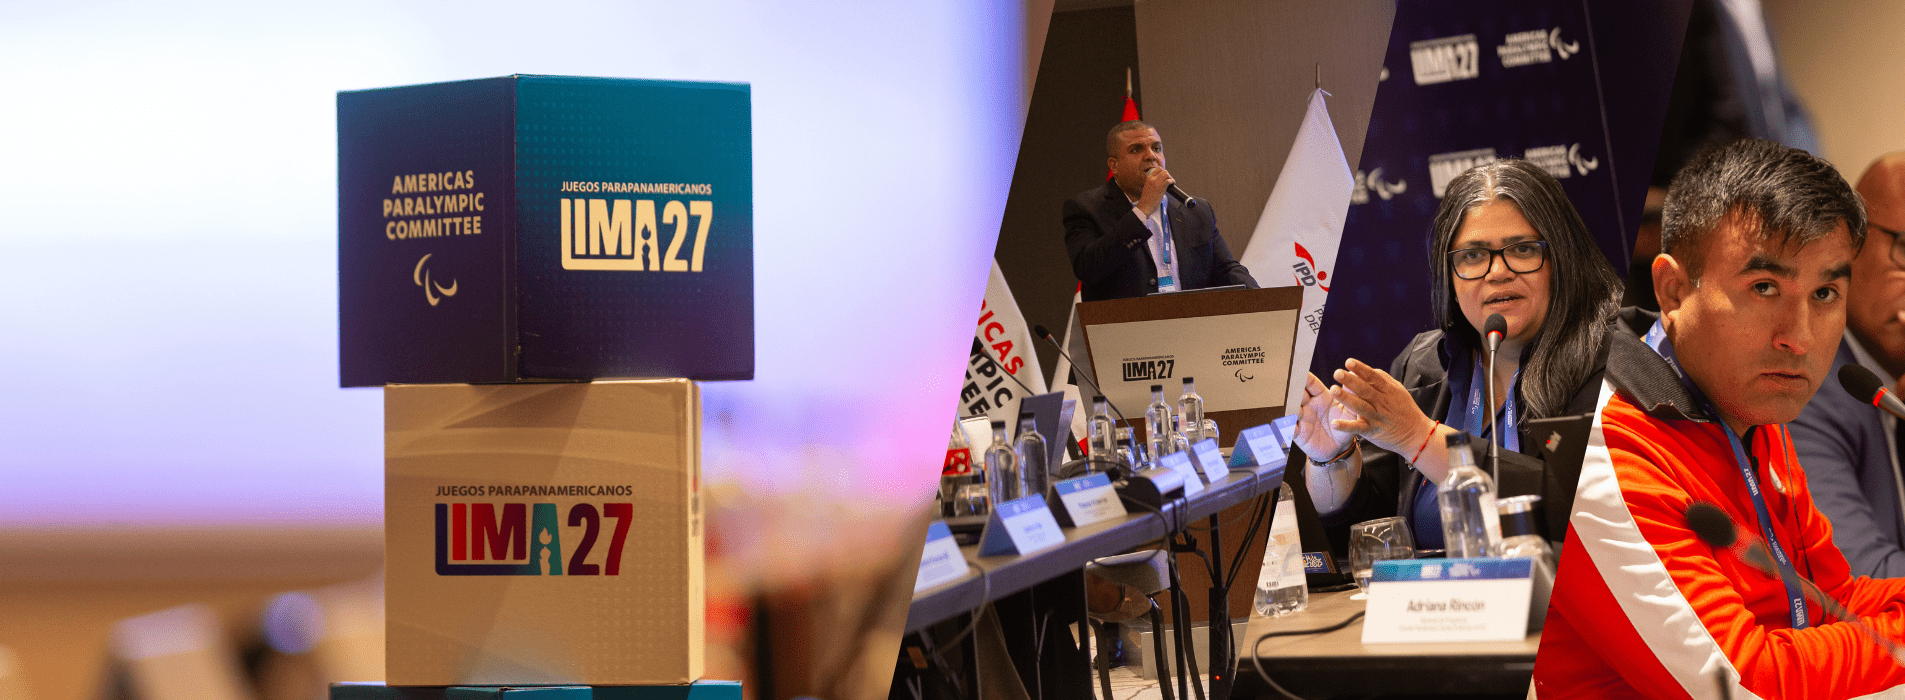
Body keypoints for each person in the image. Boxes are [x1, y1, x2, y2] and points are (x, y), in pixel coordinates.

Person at [1532, 138, 1905, 698]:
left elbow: (1833, 599)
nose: (1799, 338)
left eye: (1826, 292)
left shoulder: (1750, 406)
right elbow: (1742, 683)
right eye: (1764, 288)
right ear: (1673, 291)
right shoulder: (1607, 446)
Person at [1291, 159, 1623, 552]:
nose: (1497, 272)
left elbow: (1585, 510)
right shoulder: (1422, 366)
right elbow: (1371, 530)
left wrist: (1420, 437)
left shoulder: (1609, 362)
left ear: (1561, 258)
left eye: (1522, 249)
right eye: (1473, 256)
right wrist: (1331, 459)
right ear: (1448, 274)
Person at [1790, 152, 1905, 578]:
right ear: (1849, 246)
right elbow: (1860, 578)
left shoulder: (1889, 379)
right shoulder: (1805, 382)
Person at [1063, 120, 1256, 302]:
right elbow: (1088, 270)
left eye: (1156, 148)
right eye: (1136, 149)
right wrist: (1143, 210)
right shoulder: (1086, 208)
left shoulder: (1196, 210)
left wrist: (1262, 301)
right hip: (1127, 324)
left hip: (1190, 322)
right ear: (1115, 165)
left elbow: (1226, 269)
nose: (1151, 156)